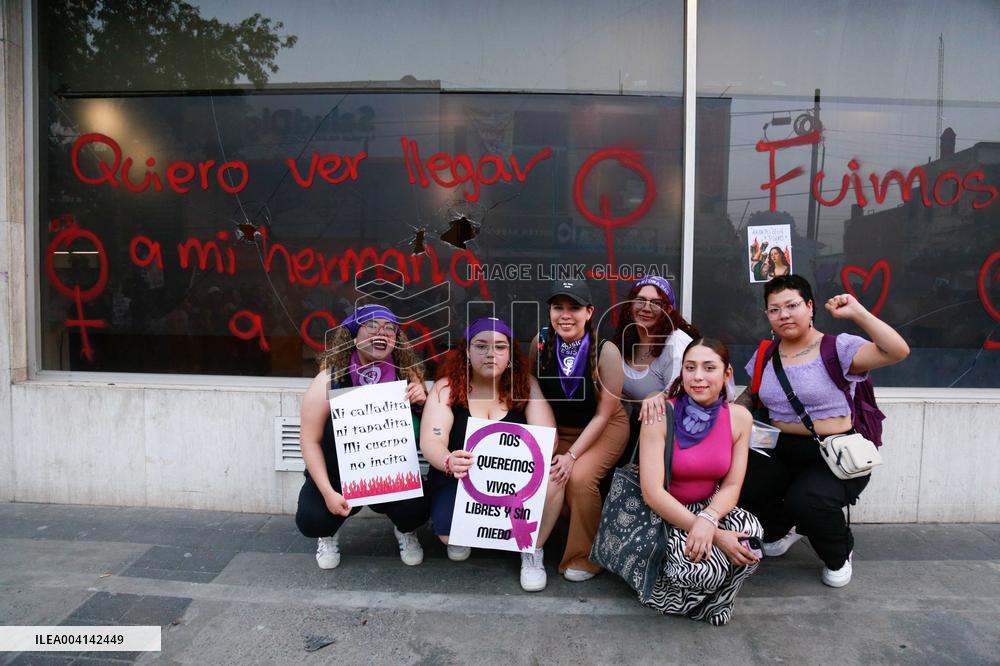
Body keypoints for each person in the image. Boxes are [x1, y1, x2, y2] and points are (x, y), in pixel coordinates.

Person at [736, 275, 910, 587]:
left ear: (810, 306)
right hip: (779, 448)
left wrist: (858, 313)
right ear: (767, 316)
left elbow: (897, 351)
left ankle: (839, 552)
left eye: (792, 305)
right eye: (774, 309)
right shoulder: (766, 353)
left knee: (808, 500)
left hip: (834, 452)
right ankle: (785, 527)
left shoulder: (838, 348)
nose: (784, 314)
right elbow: (753, 394)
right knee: (743, 482)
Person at [420, 317, 560, 592]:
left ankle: (532, 549)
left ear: (510, 354)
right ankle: (480, 531)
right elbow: (432, 440)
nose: (490, 354)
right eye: (481, 346)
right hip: (462, 479)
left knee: (557, 476)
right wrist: (448, 460)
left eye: (499, 347)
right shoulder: (447, 387)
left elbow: (549, 440)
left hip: (514, 484)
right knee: (450, 536)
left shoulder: (525, 385)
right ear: (467, 351)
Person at [636, 338, 761, 626]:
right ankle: (664, 590)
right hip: (666, 512)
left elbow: (731, 486)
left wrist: (710, 517)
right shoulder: (660, 414)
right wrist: (712, 533)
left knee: (751, 540)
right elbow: (652, 493)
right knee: (704, 571)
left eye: (709, 367)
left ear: (727, 374)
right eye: (690, 368)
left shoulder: (739, 418)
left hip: (707, 506)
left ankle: (713, 600)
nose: (698, 377)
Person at [295, 304, 430, 569]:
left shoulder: (406, 374)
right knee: (313, 519)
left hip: (390, 474)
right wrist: (327, 492)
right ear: (354, 336)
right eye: (372, 326)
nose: (382, 332)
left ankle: (405, 530)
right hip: (339, 476)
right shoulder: (329, 379)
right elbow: (309, 441)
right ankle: (328, 533)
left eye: (389, 328)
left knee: (417, 509)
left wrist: (423, 403)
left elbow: (430, 431)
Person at [530, 280, 630, 582]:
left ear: (589, 312)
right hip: (558, 427)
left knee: (579, 478)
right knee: (546, 477)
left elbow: (604, 414)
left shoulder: (605, 351)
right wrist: (543, 434)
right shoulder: (541, 341)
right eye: (558, 307)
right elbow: (531, 388)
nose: (565, 315)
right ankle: (553, 537)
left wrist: (572, 455)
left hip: (603, 427)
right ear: (549, 312)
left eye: (574, 307)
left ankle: (584, 557)